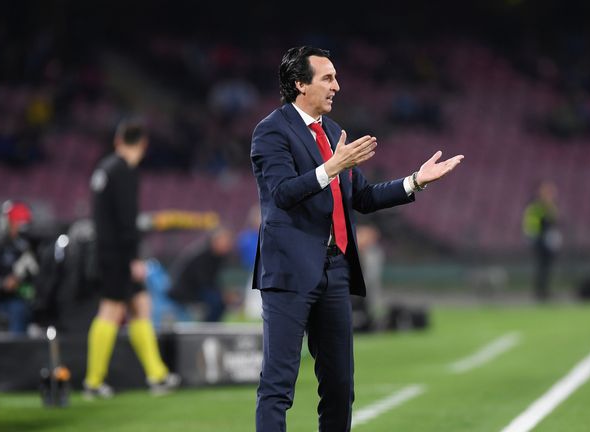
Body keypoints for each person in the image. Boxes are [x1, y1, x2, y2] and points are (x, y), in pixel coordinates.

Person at [250, 46, 464, 432]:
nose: (337, 86)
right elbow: (281, 193)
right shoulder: (270, 131)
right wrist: (332, 166)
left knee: (340, 386)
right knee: (278, 385)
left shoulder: (333, 132)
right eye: (327, 78)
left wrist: (414, 181)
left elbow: (361, 197)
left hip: (335, 270)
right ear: (299, 83)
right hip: (289, 274)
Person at [83, 117, 180, 399]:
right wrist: (134, 258)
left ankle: (157, 375)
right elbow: (126, 220)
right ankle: (93, 382)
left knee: (140, 305)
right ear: (143, 145)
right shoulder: (124, 171)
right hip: (118, 254)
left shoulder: (104, 169)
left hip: (106, 250)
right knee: (111, 311)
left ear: (118, 140)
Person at [0, 201, 38, 335]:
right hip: (7, 299)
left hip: (29, 295)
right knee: (18, 309)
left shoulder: (30, 245)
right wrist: (4, 283)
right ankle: (16, 348)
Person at [168, 227, 235, 322]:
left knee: (219, 301)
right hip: (185, 291)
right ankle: (208, 327)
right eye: (225, 241)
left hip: (196, 289)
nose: (228, 245)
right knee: (217, 301)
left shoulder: (218, 257)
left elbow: (211, 280)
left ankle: (210, 326)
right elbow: (202, 281)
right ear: (215, 241)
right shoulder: (202, 256)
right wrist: (221, 294)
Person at [522, 180, 561, 301]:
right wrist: (535, 237)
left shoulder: (550, 206)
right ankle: (540, 292)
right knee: (541, 267)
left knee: (546, 267)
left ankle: (545, 291)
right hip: (539, 240)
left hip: (547, 241)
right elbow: (533, 224)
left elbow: (554, 222)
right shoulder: (536, 206)